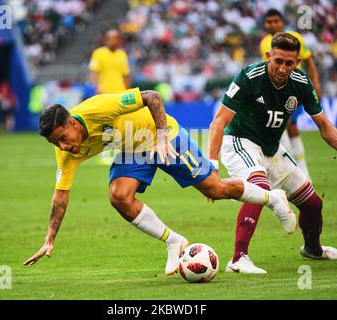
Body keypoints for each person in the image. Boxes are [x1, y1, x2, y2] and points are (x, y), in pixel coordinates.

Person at [23, 87, 296, 274]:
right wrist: (49, 238)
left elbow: (152, 96)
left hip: (165, 136)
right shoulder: (65, 154)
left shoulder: (98, 108)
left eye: (62, 138)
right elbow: (60, 195)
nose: (62, 146)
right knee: (119, 196)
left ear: (72, 123)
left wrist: (163, 136)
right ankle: (174, 241)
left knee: (215, 188)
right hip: (133, 149)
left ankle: (273, 198)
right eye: (55, 143)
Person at [209, 32, 337, 274]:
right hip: (240, 142)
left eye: (289, 63)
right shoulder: (249, 77)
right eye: (278, 61)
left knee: (313, 204)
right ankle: (238, 259)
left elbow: (323, 123)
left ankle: (313, 249)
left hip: (272, 149)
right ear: (268, 57)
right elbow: (218, 122)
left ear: (296, 62)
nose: (283, 68)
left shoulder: (301, 83)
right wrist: (212, 165)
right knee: (259, 186)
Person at [260, 8, 322, 180]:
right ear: (265, 24)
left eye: (276, 21)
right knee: (284, 128)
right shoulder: (264, 42)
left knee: (287, 126)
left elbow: (309, 60)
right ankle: (296, 173)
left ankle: (300, 174)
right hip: (274, 93)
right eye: (269, 21)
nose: (273, 24)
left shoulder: (295, 38)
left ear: (282, 22)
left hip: (294, 90)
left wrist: (315, 84)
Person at [89, 29, 131, 165]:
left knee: (121, 124)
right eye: (110, 38)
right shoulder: (99, 53)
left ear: (119, 40)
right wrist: (97, 87)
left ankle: (119, 152)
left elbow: (125, 75)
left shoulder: (122, 54)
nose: (113, 41)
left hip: (120, 95)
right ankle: (105, 153)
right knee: (107, 124)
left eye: (116, 38)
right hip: (105, 94)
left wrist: (128, 91)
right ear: (106, 40)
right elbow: (94, 73)